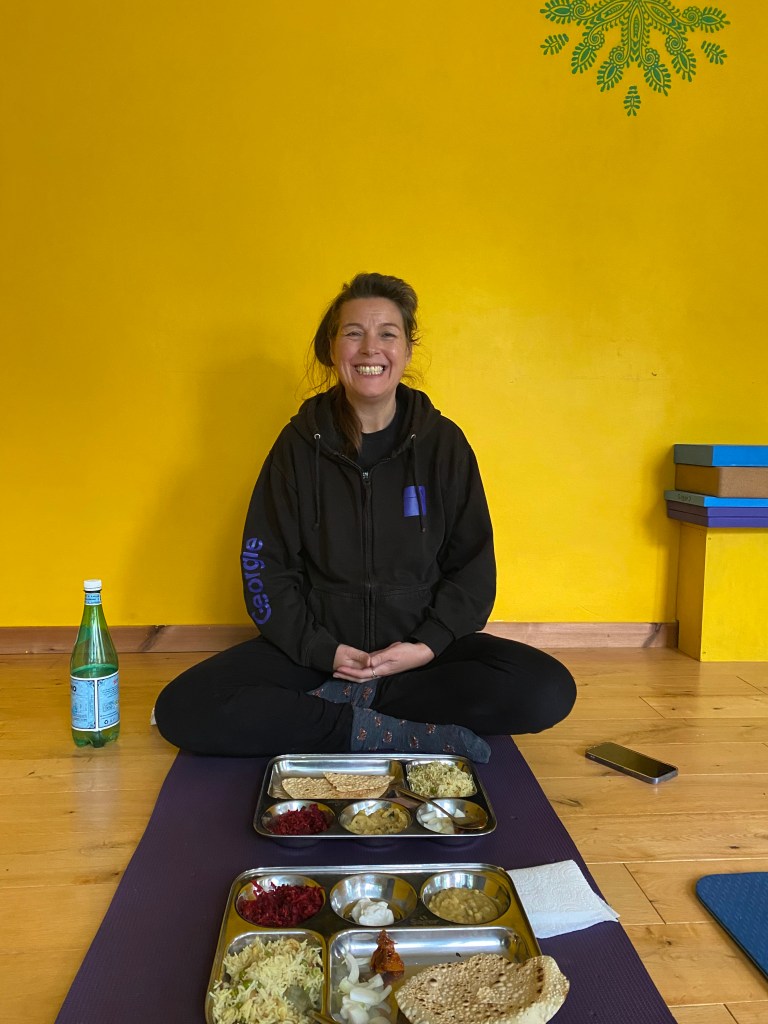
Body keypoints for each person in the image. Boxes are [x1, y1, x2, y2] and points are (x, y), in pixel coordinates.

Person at [155, 273, 576, 761]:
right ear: (332, 349)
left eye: (387, 333)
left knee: (547, 689)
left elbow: (474, 572)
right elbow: (265, 569)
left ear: (408, 350)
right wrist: (322, 651)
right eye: (353, 332)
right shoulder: (296, 447)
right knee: (182, 708)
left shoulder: (445, 445)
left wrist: (425, 645)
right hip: (318, 657)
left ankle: (342, 711)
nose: (369, 348)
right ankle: (381, 730)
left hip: (418, 662)